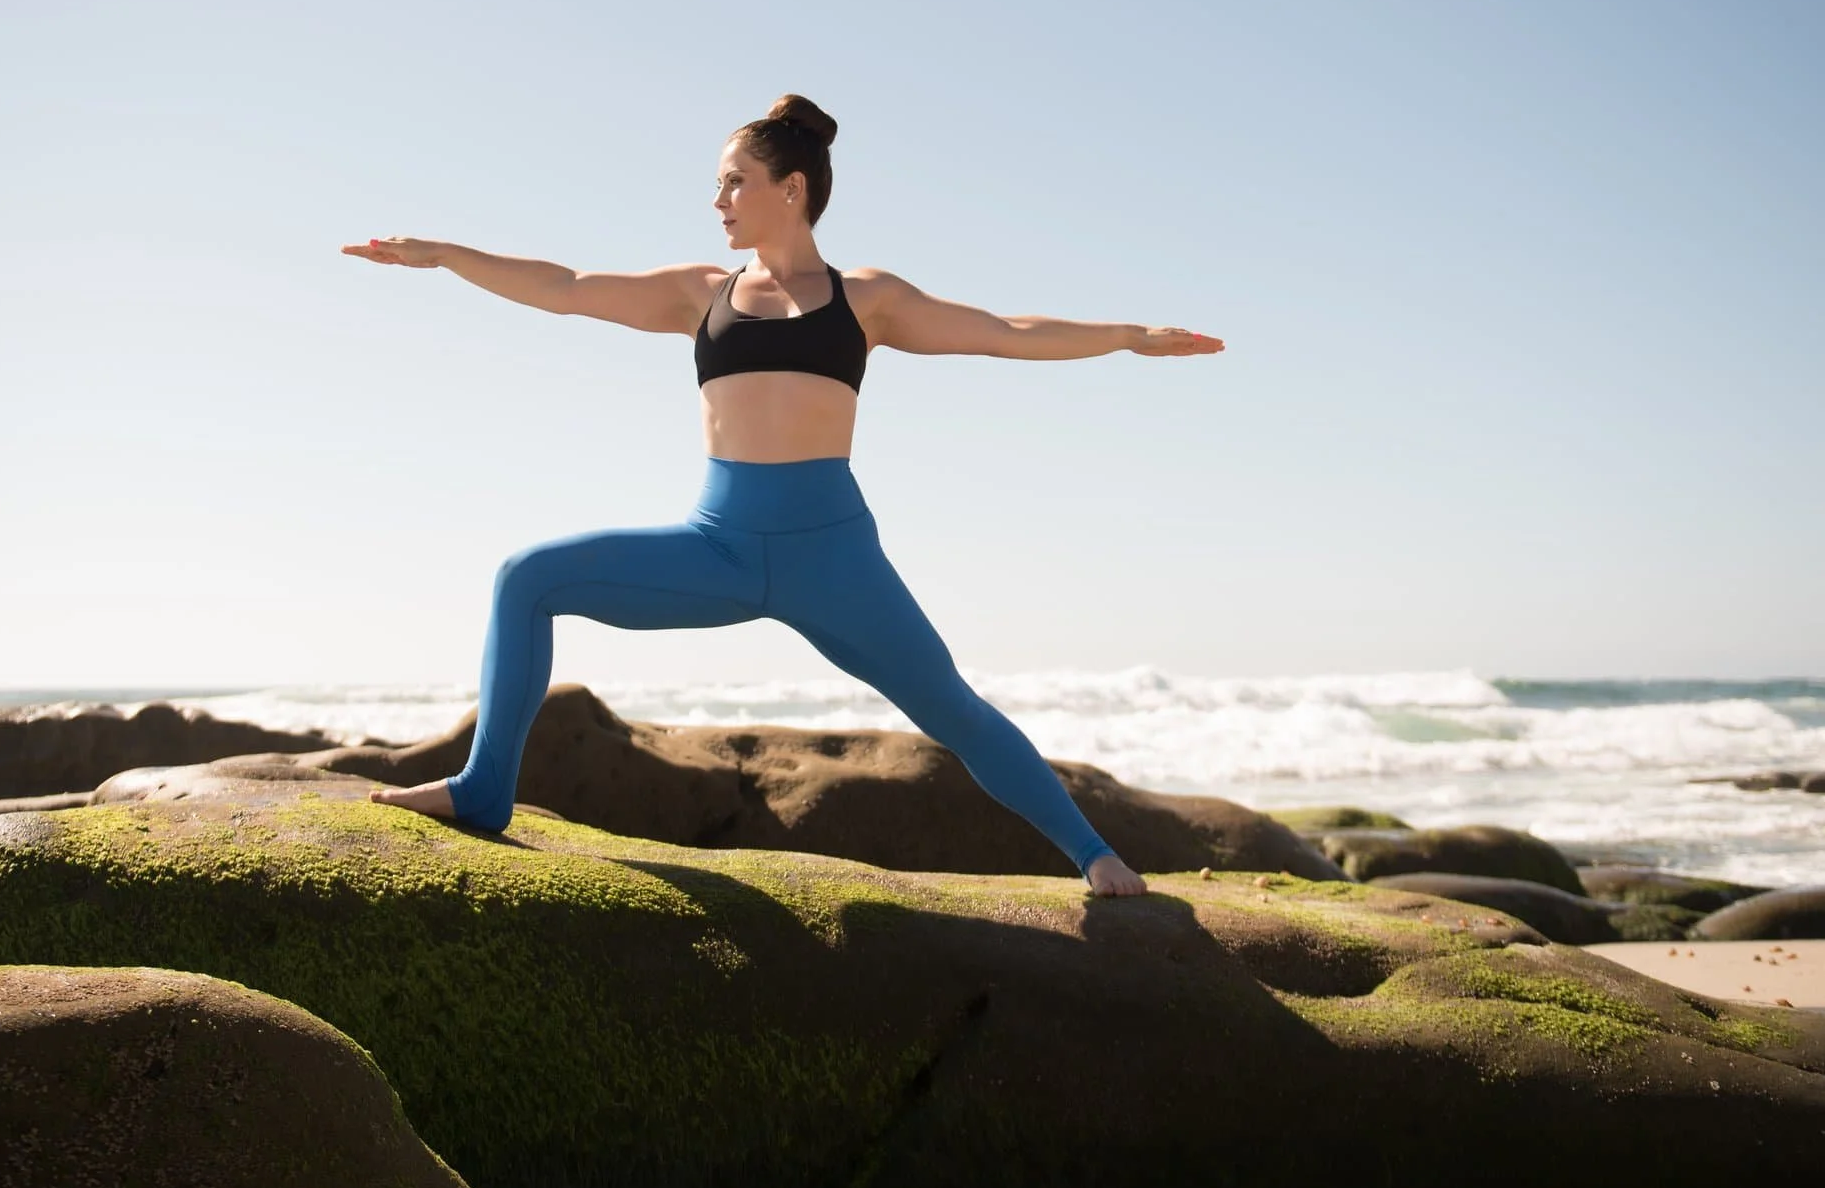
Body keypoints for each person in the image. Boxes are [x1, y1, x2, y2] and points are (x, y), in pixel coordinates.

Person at [342, 94, 1223, 896]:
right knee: (525, 576)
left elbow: (1004, 332)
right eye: (718, 184)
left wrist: (1129, 337)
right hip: (717, 548)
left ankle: (1097, 857)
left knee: (951, 705)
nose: (718, 199)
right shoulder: (702, 293)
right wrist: (446, 255)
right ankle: (482, 790)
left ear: (791, 188)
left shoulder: (868, 299)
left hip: (834, 557)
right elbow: (565, 288)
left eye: (734, 182)